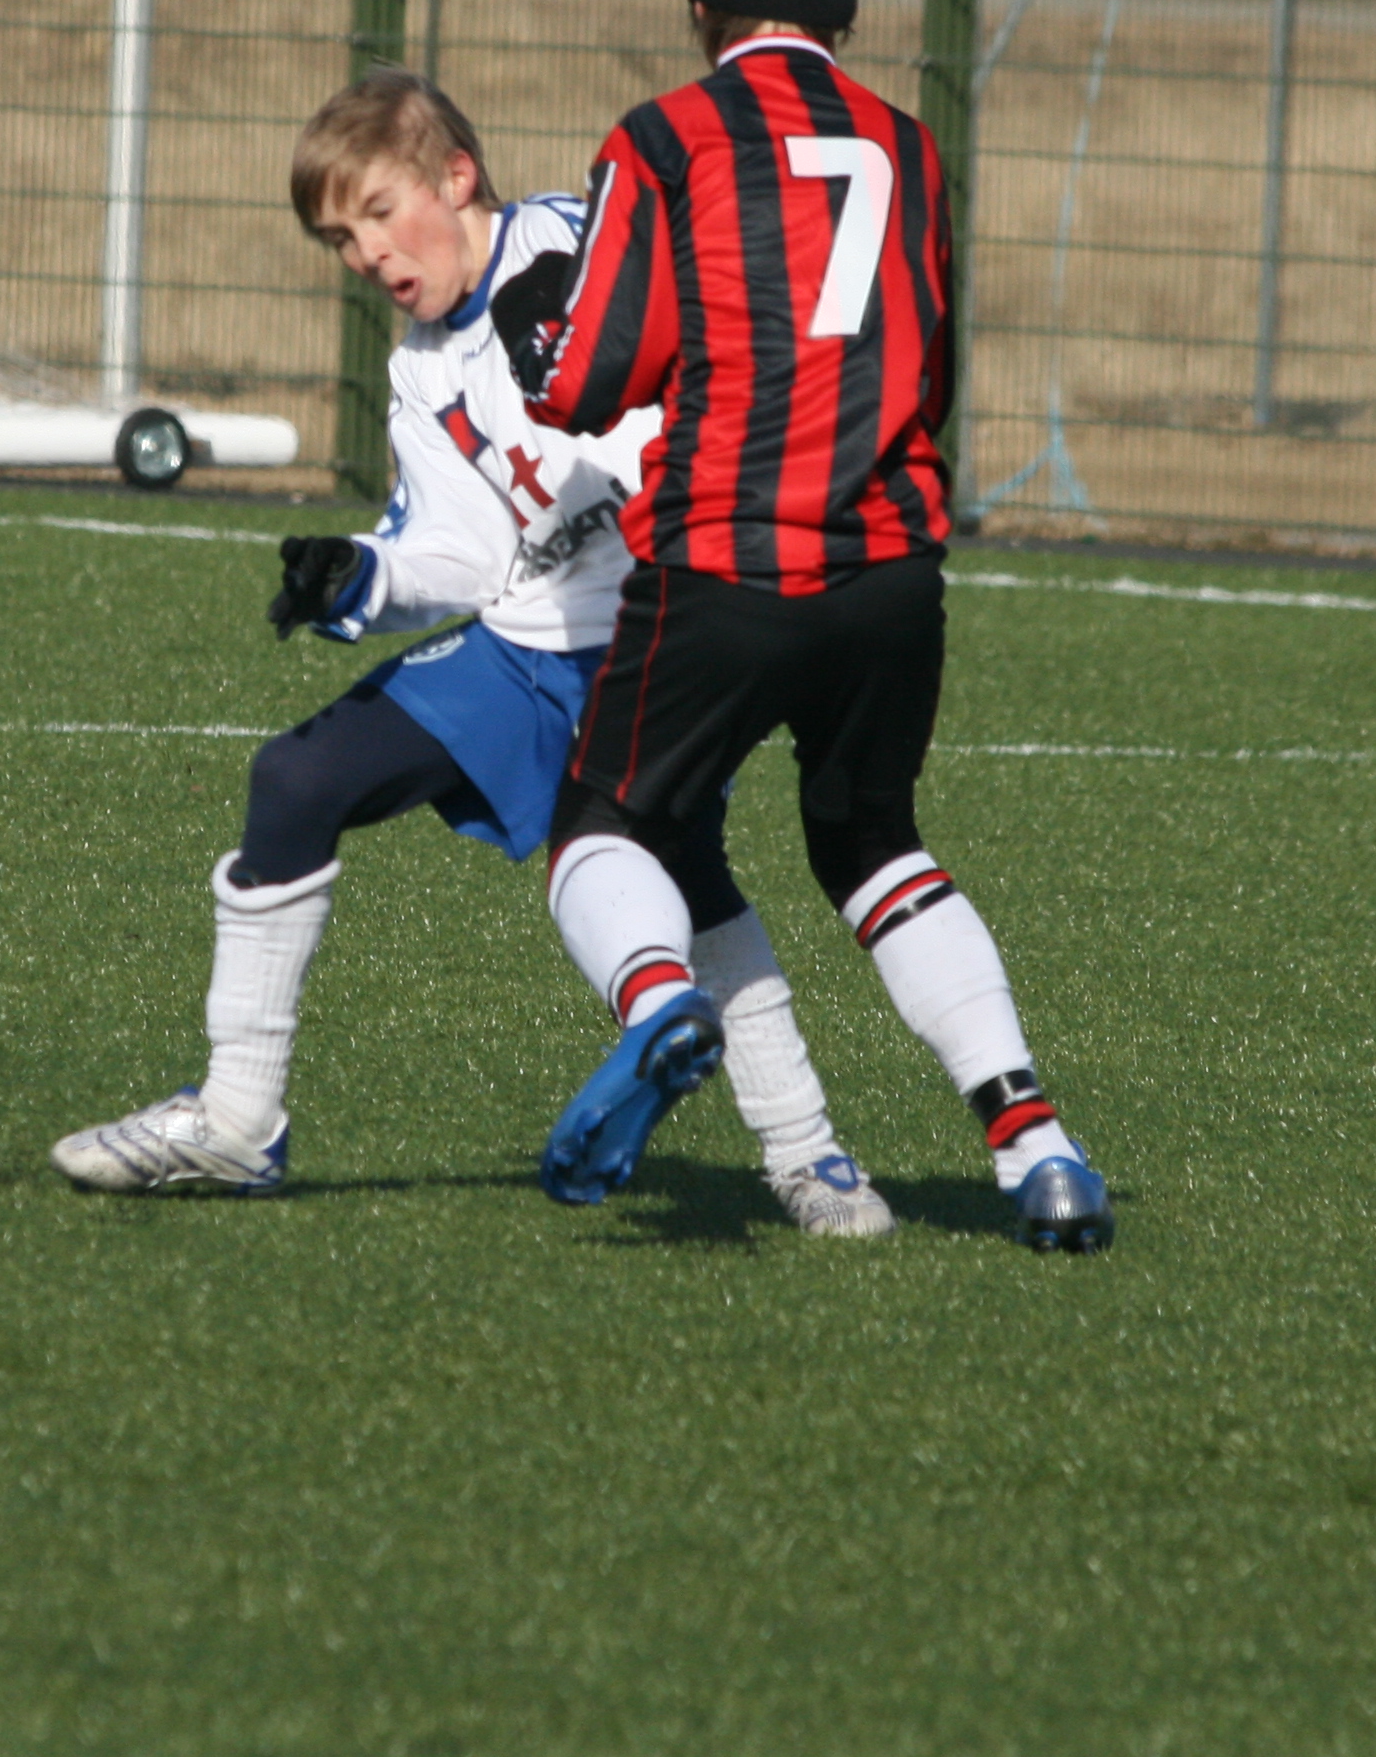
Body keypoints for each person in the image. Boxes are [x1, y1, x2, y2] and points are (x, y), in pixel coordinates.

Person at [52, 68, 893, 1237]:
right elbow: (458, 552)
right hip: (526, 650)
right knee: (297, 780)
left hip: (663, 637)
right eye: (342, 240)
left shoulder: (580, 248)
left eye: (380, 212)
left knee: (686, 874)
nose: (369, 254)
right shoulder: (419, 367)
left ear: (457, 177)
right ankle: (238, 1120)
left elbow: (701, 375)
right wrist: (360, 576)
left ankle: (809, 1159)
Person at [502, 0, 1112, 1253]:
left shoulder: (665, 139)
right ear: (844, 8)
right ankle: (1036, 1142)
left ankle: (661, 1006)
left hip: (725, 560)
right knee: (870, 842)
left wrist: (542, 321)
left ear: (699, 6)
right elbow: (930, 375)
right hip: (891, 571)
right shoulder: (913, 147)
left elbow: (589, 378)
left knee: (601, 826)